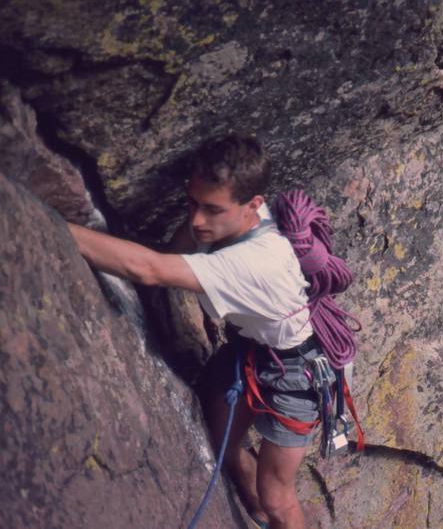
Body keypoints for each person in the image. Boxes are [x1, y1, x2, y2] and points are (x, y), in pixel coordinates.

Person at [67, 135, 317, 529]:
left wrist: (55, 226)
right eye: (192, 203)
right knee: (220, 440)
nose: (197, 220)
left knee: (278, 496)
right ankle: (254, 515)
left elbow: (151, 269)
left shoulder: (254, 261)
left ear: (253, 206)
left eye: (212, 209)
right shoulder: (238, 217)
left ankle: (272, 516)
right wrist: (198, 224)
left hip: (295, 376)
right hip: (252, 348)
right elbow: (173, 254)